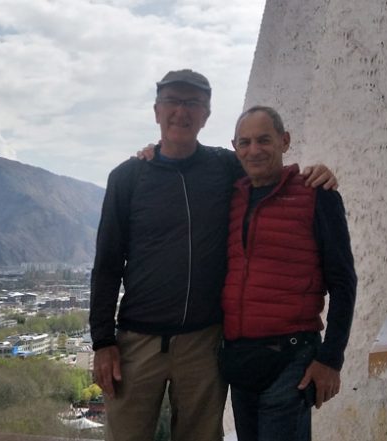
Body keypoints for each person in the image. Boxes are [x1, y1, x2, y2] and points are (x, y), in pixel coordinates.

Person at [89, 69, 337, 441]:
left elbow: (269, 168)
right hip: (135, 343)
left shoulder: (225, 167)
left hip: (204, 343)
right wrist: (103, 341)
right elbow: (107, 264)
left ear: (206, 115)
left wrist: (315, 173)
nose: (181, 111)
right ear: (157, 111)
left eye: (193, 103)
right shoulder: (127, 177)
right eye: (172, 101)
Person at [220, 105, 357, 441]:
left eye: (264, 140)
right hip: (240, 361)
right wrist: (151, 152)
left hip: (291, 360)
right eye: (245, 142)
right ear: (235, 147)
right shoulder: (231, 197)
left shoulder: (316, 194)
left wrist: (331, 360)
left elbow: (343, 282)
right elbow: (188, 156)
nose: (254, 150)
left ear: (284, 141)